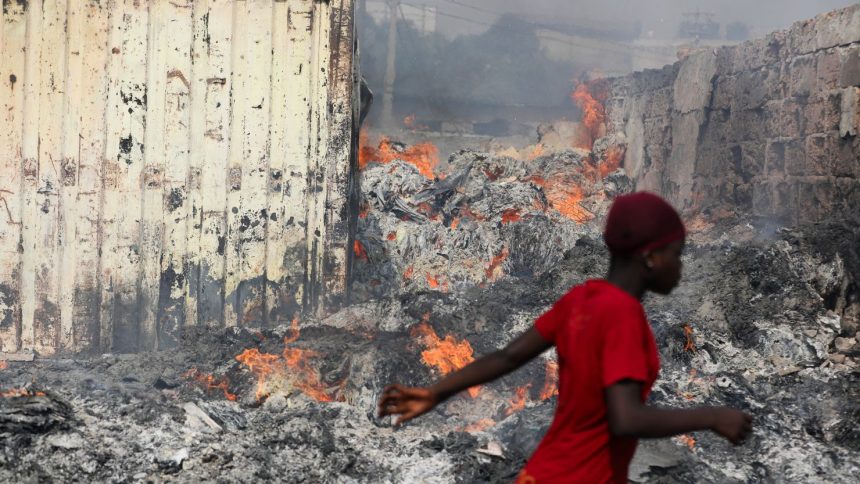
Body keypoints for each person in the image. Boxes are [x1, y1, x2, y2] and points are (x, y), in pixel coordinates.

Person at [378, 192, 753, 483]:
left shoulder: (583, 298)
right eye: (677, 253)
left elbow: (507, 357)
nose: (681, 266)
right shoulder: (623, 315)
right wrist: (713, 416)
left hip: (542, 472)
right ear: (651, 256)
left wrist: (435, 392)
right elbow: (626, 418)